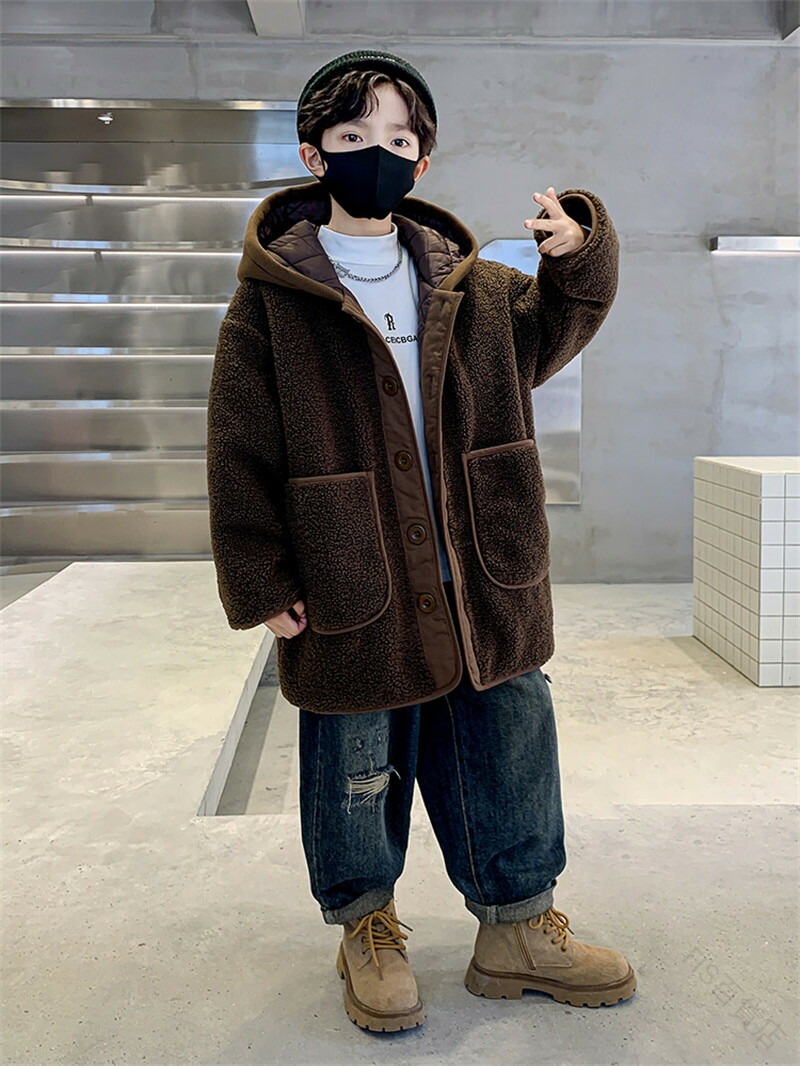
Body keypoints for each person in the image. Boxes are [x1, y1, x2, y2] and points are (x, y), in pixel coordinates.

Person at [206, 49, 636, 1033]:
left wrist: (577, 249)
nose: (379, 152)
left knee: (509, 737)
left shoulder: (476, 289)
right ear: (315, 154)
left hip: (481, 566)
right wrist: (260, 578)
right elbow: (238, 447)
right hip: (351, 568)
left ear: (423, 159)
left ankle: (517, 928)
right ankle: (366, 926)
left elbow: (560, 322)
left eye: (398, 137)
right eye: (353, 135)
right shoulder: (273, 302)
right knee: (355, 752)